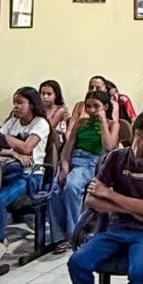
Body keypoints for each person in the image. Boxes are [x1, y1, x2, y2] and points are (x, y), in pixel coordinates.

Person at [67, 112, 143, 284]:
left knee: (138, 272)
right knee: (77, 263)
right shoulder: (115, 158)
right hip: (116, 228)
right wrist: (133, 212)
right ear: (138, 134)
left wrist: (109, 194)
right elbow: (90, 201)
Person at [50, 90, 121, 251]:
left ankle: (74, 234)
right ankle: (59, 236)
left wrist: (102, 121)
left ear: (105, 107)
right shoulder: (81, 123)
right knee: (54, 189)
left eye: (96, 106)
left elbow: (108, 147)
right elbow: (68, 147)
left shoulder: (112, 124)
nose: (92, 110)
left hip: (93, 162)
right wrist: (64, 165)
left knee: (72, 186)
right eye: (88, 106)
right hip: (74, 159)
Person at [0, 87, 51, 265]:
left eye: (20, 103)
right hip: (9, 170)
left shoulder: (41, 123)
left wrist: (6, 138)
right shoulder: (12, 121)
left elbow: (27, 148)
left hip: (31, 176)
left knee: (0, 199)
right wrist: (13, 153)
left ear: (31, 104)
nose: (15, 107)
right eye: (14, 103)